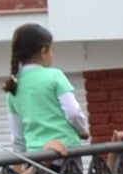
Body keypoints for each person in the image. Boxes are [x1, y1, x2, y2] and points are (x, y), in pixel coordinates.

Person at [5, 23, 90, 156]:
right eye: (52, 50)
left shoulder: (13, 85)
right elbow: (73, 112)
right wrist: (82, 131)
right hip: (65, 151)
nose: (52, 54)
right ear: (44, 51)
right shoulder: (55, 75)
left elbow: (17, 135)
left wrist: (21, 158)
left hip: (37, 157)